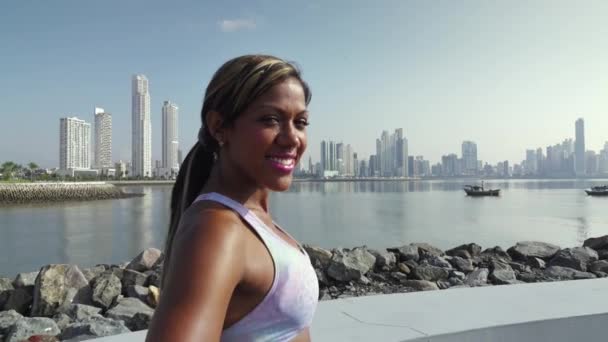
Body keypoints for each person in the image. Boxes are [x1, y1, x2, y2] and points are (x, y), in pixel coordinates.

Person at [146, 55, 319, 342]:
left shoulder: (247, 217)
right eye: (271, 120)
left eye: (300, 122)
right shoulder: (217, 230)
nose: (292, 139)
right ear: (219, 127)